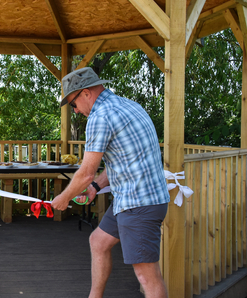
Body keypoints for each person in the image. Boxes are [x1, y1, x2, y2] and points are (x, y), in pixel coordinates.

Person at [51, 67, 170, 298]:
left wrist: (63, 198)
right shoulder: (128, 105)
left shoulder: (100, 116)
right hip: (133, 198)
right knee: (98, 241)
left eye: (73, 104)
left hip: (139, 204)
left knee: (147, 275)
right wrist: (95, 187)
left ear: (86, 93)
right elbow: (123, 162)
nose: (75, 111)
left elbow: (86, 173)